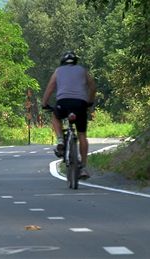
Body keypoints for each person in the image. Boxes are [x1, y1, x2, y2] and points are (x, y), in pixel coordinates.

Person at [41, 51, 96, 180]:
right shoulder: (82, 71)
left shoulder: (58, 71)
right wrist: (90, 102)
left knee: (55, 117)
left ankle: (60, 139)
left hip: (63, 103)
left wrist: (44, 103)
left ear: (62, 62)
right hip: (80, 104)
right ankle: (83, 167)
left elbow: (50, 87)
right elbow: (93, 86)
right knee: (82, 134)